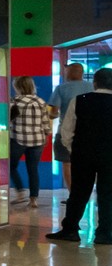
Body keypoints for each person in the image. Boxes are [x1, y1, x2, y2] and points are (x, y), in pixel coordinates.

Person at [50, 66, 112, 244]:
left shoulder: (79, 100)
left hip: (83, 153)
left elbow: (66, 130)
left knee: (79, 192)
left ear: (94, 83)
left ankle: (70, 230)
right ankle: (105, 233)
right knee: (107, 193)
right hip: (109, 155)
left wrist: (73, 148)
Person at [7, 75, 53, 207]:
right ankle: (33, 199)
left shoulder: (14, 102)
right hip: (38, 140)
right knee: (33, 169)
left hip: (18, 139)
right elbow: (45, 122)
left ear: (17, 87)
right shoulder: (40, 101)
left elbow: (8, 119)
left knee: (11, 166)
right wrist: (46, 136)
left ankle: (20, 192)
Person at [52, 62, 89, 193]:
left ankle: (73, 194)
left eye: (66, 71)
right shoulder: (92, 87)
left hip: (65, 131)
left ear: (71, 72)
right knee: (87, 164)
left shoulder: (61, 88)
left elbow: (53, 111)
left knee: (67, 163)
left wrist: (52, 115)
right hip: (88, 133)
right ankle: (85, 191)